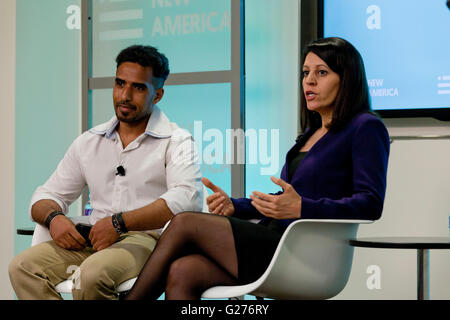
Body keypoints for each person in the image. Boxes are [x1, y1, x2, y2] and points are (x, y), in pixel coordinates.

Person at [124, 37, 390, 300]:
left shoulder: (365, 127)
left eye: (322, 73)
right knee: (183, 271)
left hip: (301, 252)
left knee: (185, 223)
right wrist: (235, 206)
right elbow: (281, 203)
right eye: (306, 73)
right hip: (273, 239)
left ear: (347, 79)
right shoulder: (311, 133)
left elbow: (370, 203)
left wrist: (303, 208)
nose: (309, 81)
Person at [8, 45, 203, 300]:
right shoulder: (89, 141)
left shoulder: (176, 140)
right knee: (22, 267)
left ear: (157, 95)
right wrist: (54, 218)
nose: (125, 95)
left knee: (92, 275)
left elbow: (187, 200)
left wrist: (119, 223)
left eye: (139, 87)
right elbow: (45, 195)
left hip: (147, 242)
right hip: (92, 240)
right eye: (120, 83)